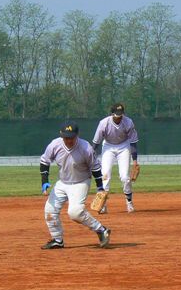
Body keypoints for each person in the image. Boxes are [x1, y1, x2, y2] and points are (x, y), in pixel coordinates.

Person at [39, 121, 111, 249]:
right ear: (62, 136)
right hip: (62, 182)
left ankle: (101, 230)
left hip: (81, 182)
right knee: (49, 211)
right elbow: (45, 161)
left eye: (71, 137)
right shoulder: (55, 145)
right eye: (66, 137)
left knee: (75, 213)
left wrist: (100, 187)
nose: (69, 140)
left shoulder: (85, 148)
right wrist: (44, 181)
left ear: (77, 135)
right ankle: (57, 240)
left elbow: (95, 168)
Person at [92, 103, 140, 213]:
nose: (119, 117)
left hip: (124, 146)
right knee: (105, 175)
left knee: (125, 177)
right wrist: (90, 157)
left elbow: (133, 142)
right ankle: (103, 205)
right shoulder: (104, 123)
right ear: (112, 114)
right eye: (117, 114)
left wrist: (135, 161)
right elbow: (96, 143)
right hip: (108, 146)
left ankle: (129, 203)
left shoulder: (128, 122)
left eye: (121, 114)